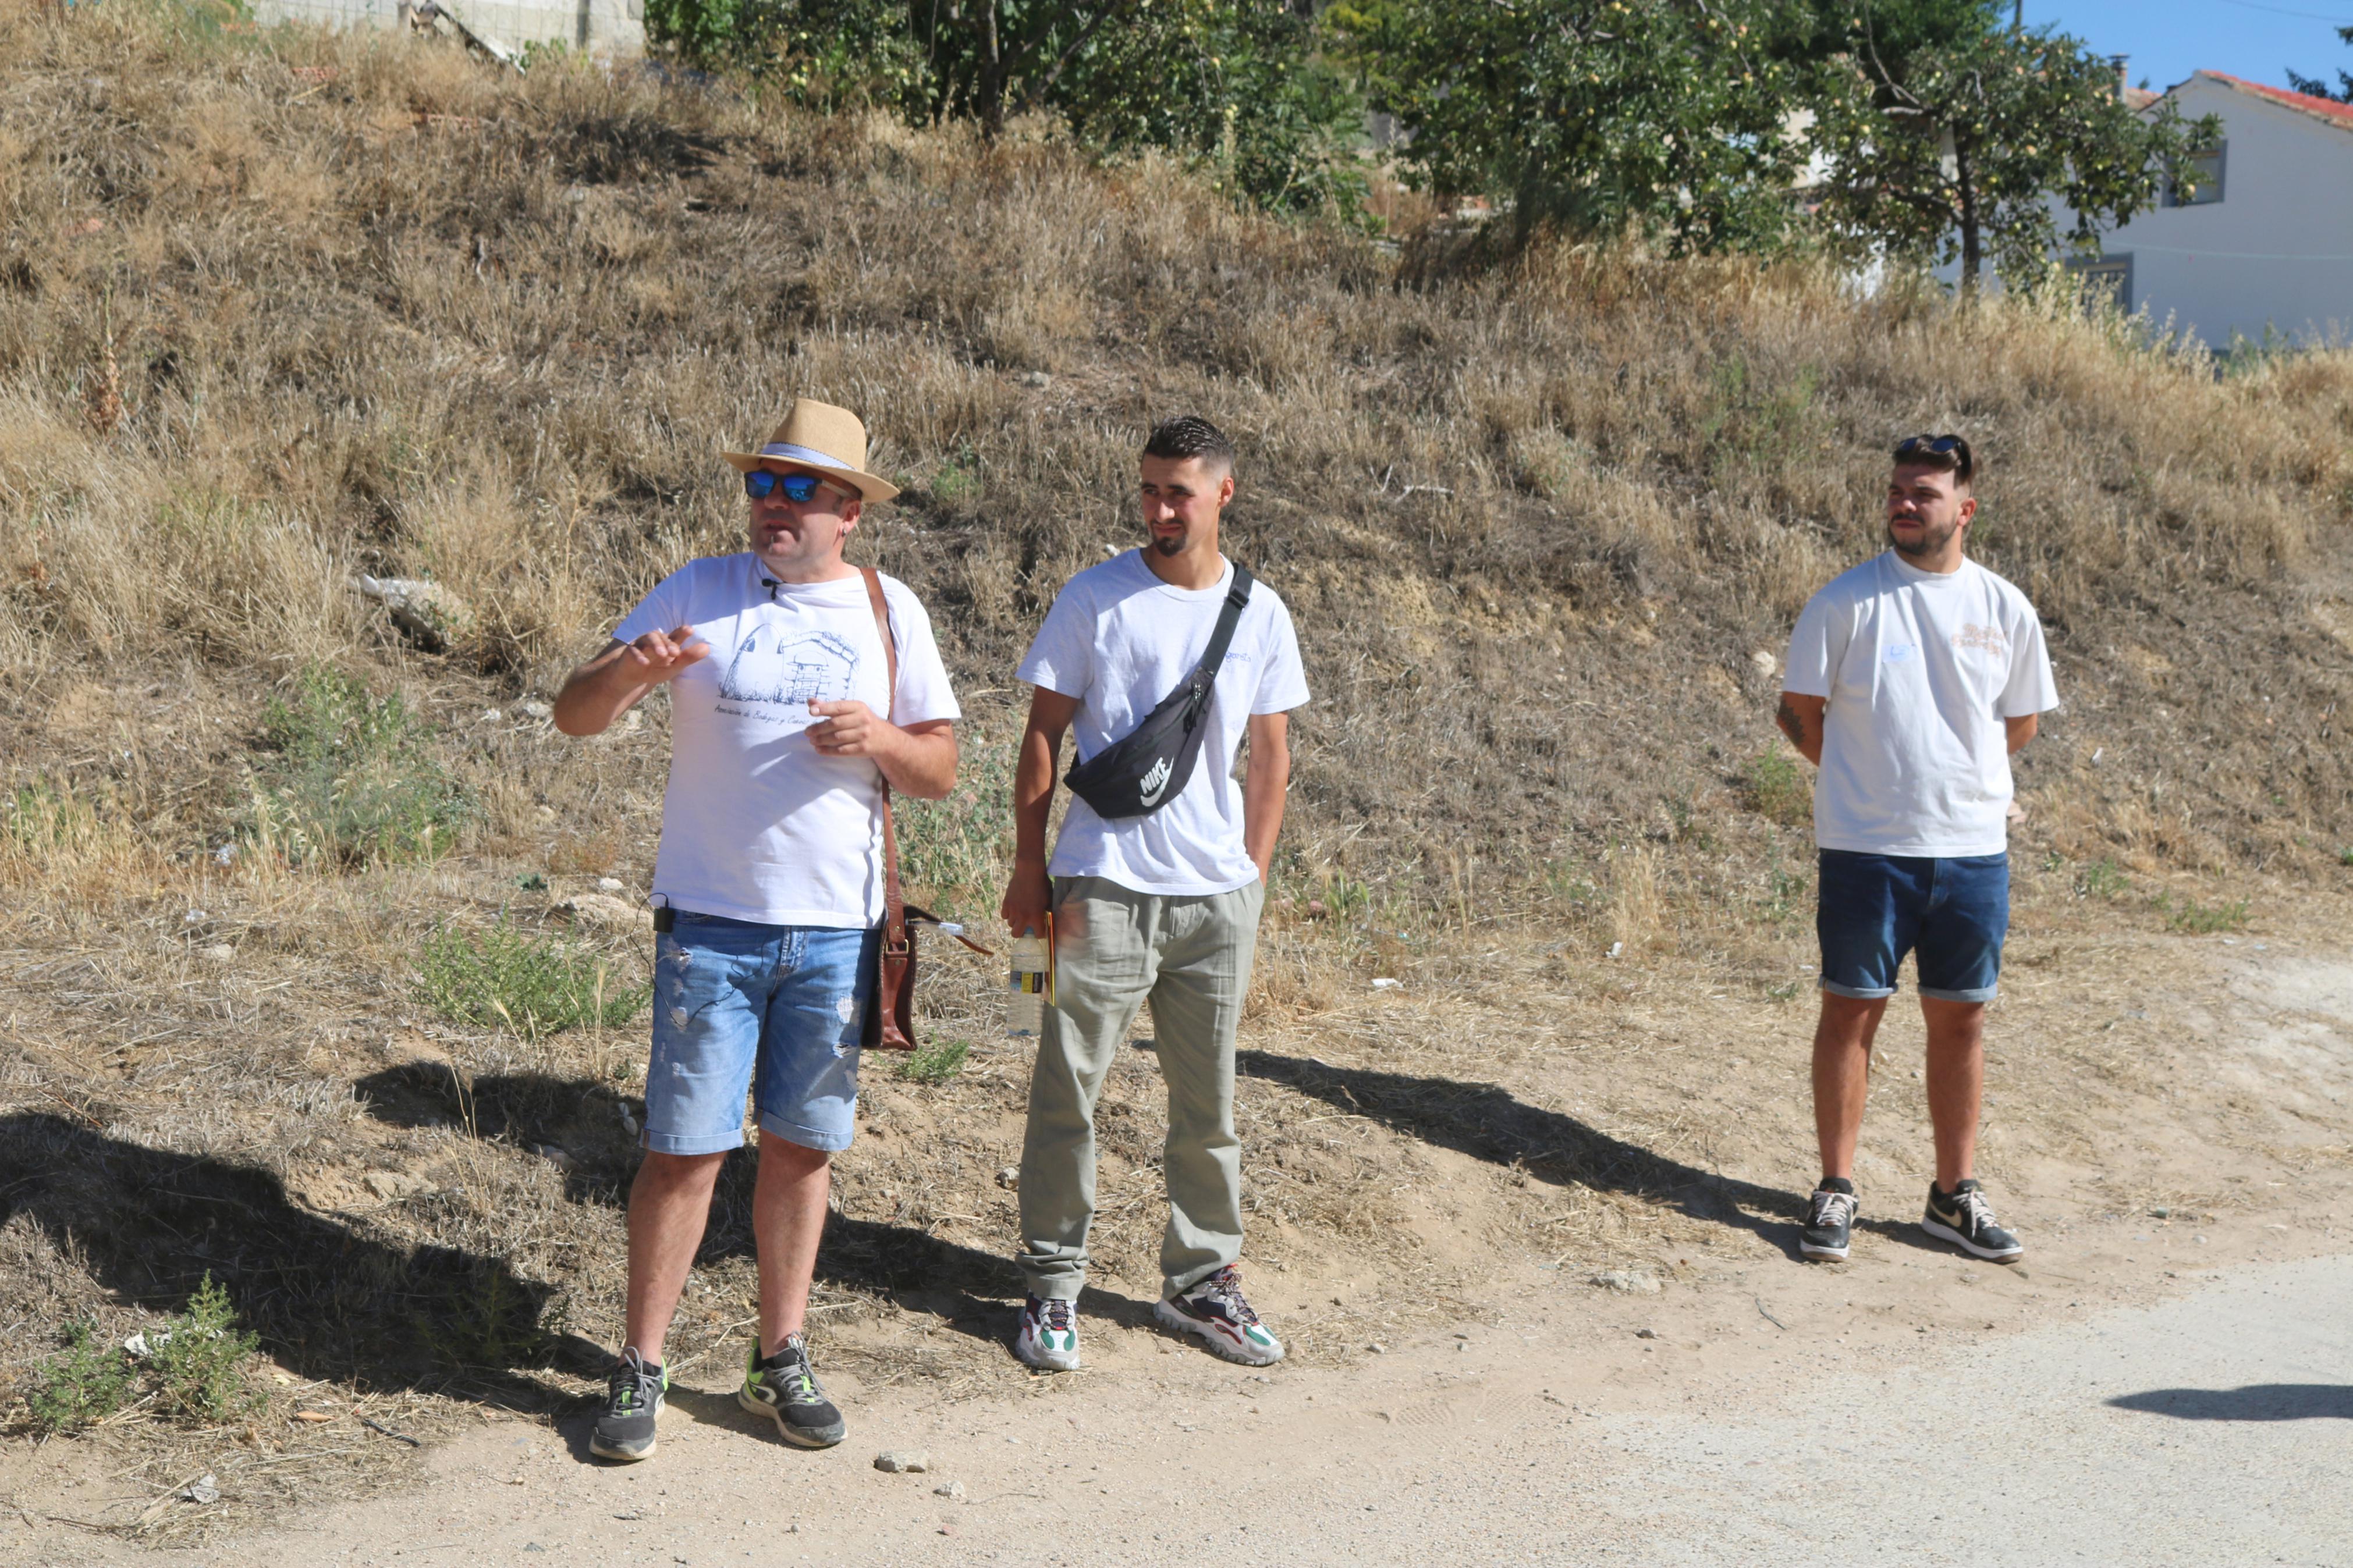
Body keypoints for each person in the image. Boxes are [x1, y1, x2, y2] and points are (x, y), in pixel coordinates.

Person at [552, 399, 960, 1461]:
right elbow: (574, 713)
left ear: (848, 511)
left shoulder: (889, 611)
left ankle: (778, 1359)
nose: (772, 506)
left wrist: (879, 737)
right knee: (684, 1154)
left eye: (799, 490)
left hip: (832, 933)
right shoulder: (699, 587)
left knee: (801, 1151)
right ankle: (642, 1364)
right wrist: (631, 672)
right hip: (711, 927)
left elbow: (943, 771)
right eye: (762, 485)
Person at [999, 415, 1309, 1370]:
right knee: (1065, 1090)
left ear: (1225, 494)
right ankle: (1053, 1287)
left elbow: (1271, 757)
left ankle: (1201, 1283)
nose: (1160, 509)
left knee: (1209, 1104)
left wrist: (1249, 878)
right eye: (1148, 490)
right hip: (1102, 887)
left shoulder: (1261, 612)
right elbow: (1043, 736)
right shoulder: (1097, 597)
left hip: (1215, 902)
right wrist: (1029, 871)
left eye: (1179, 491)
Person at [1776, 433, 2057, 1266]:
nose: (1903, 503)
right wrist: (1868, 781)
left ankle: (1952, 1197)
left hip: (1973, 852)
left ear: (1964, 510)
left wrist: (1953, 785)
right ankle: (1836, 1189)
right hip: (1867, 849)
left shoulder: (2005, 607)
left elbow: (2023, 720)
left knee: (1962, 1020)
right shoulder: (1847, 602)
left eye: (1923, 493)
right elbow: (1798, 711)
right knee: (1851, 1012)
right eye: (1897, 490)